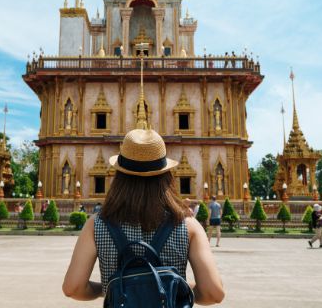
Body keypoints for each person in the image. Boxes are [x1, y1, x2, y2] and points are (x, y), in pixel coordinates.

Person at [62, 120, 224, 304]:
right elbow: (213, 293)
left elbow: (72, 287)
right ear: (166, 175)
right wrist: (177, 286)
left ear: (119, 175)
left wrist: (108, 288)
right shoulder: (187, 225)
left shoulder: (97, 224)